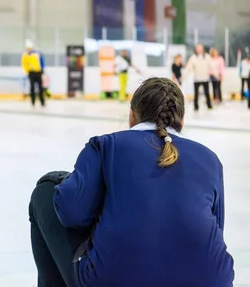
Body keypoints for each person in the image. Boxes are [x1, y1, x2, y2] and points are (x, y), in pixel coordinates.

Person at [29, 77, 234, 287]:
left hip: (114, 279)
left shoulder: (106, 146)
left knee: (45, 191)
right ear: (181, 121)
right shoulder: (210, 159)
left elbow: (71, 213)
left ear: (132, 116)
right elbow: (215, 228)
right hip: (211, 281)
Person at [184, 44, 214, 111]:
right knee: (196, 94)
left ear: (202, 49)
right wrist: (184, 76)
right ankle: (196, 106)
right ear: (196, 50)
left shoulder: (207, 57)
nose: (199, 51)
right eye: (198, 49)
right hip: (197, 79)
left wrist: (216, 74)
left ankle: (209, 105)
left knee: (207, 93)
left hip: (205, 78)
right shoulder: (193, 57)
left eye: (200, 49)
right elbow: (188, 67)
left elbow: (212, 66)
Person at [21, 40, 46, 107]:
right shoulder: (25, 55)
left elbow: (42, 62)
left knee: (40, 87)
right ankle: (33, 102)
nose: (29, 49)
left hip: (38, 72)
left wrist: (43, 70)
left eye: (30, 48)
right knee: (32, 87)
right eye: (28, 48)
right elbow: (24, 64)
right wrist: (27, 71)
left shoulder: (37, 54)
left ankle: (42, 102)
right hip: (31, 73)